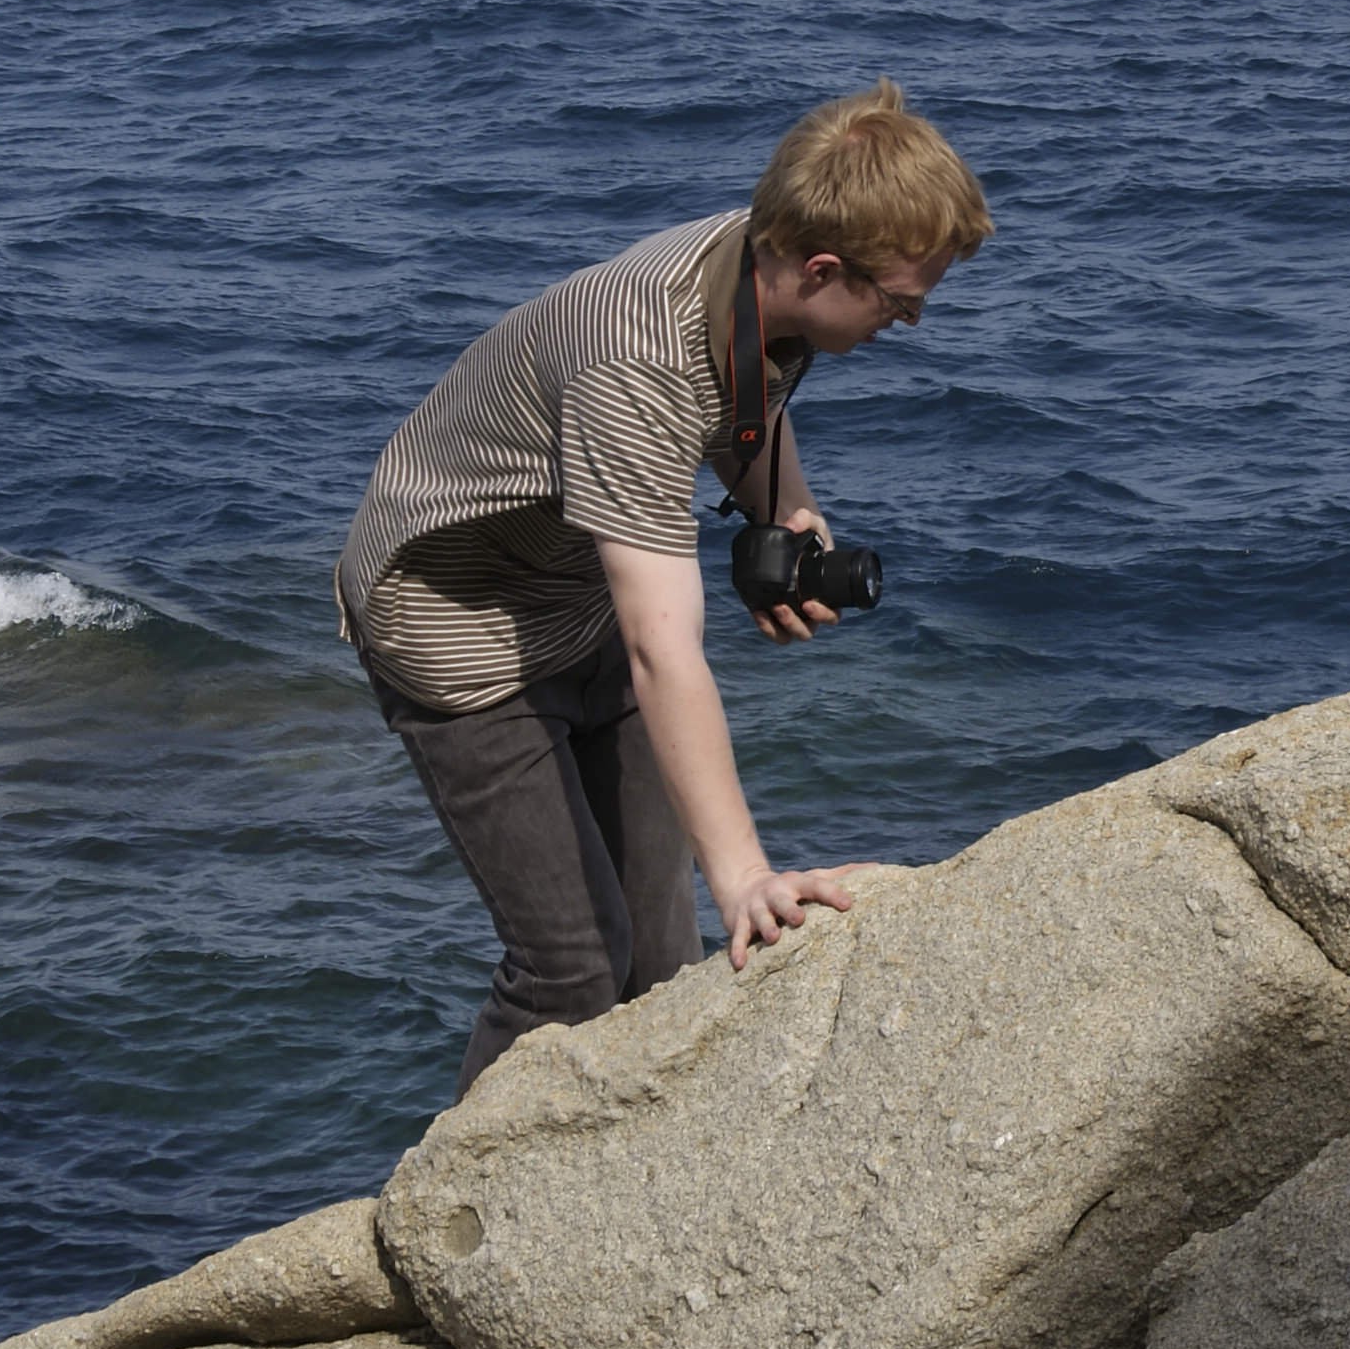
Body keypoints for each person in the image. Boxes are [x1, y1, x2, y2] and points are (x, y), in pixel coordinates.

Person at [335, 80, 991, 1097]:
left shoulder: (760, 267)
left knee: (659, 960)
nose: (907, 323)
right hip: (456, 625)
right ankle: (468, 1187)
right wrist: (746, 875)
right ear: (821, 269)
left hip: (576, 590)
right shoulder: (635, 358)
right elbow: (662, 649)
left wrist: (786, 513)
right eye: (900, 304)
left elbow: (743, 396)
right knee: (571, 969)